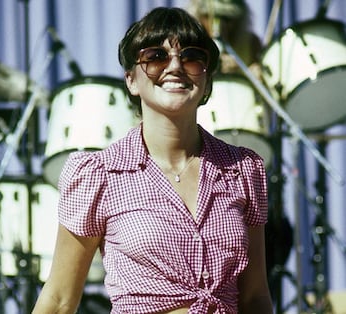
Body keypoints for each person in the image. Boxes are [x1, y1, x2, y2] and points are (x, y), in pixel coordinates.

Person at [32, 6, 273, 314]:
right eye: (156, 57)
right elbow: (59, 299)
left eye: (191, 56)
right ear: (131, 80)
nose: (175, 66)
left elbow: (255, 297)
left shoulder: (242, 170)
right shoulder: (99, 174)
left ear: (206, 79)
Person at [186, 0, 263, 77]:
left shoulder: (251, 43)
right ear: (199, 16)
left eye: (226, 19)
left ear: (238, 19)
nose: (220, 26)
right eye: (211, 17)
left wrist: (246, 72)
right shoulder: (187, 43)